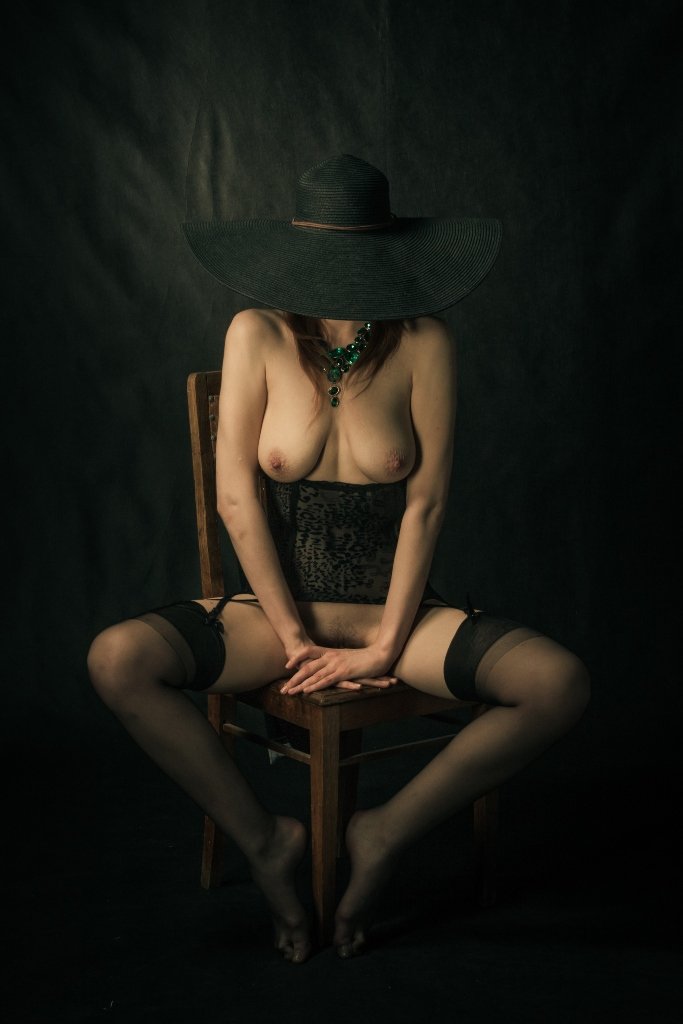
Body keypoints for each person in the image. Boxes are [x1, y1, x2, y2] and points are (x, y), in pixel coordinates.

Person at [87, 154, 590, 964]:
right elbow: (236, 500)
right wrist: (291, 637)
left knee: (557, 683)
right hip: (272, 617)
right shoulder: (255, 333)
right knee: (117, 659)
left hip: (396, 615)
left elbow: (425, 505)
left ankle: (383, 831)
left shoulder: (425, 341)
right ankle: (265, 841)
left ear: (392, 253)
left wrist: (386, 644)